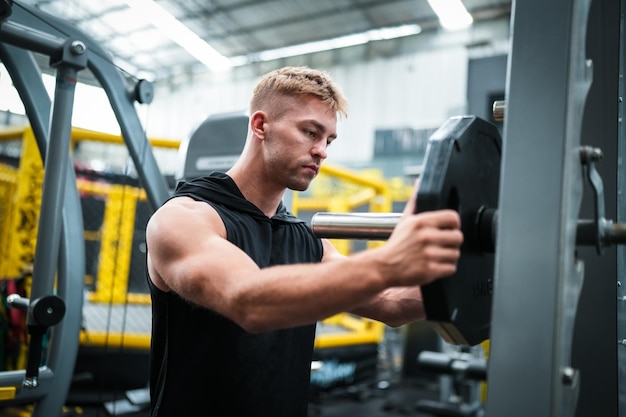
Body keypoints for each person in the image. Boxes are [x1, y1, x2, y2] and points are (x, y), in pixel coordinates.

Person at [145, 66, 463, 416]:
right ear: (260, 125)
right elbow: (248, 300)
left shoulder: (305, 240)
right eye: (310, 132)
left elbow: (393, 304)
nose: (322, 151)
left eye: (328, 140)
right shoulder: (184, 218)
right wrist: (389, 262)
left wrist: (488, 273)